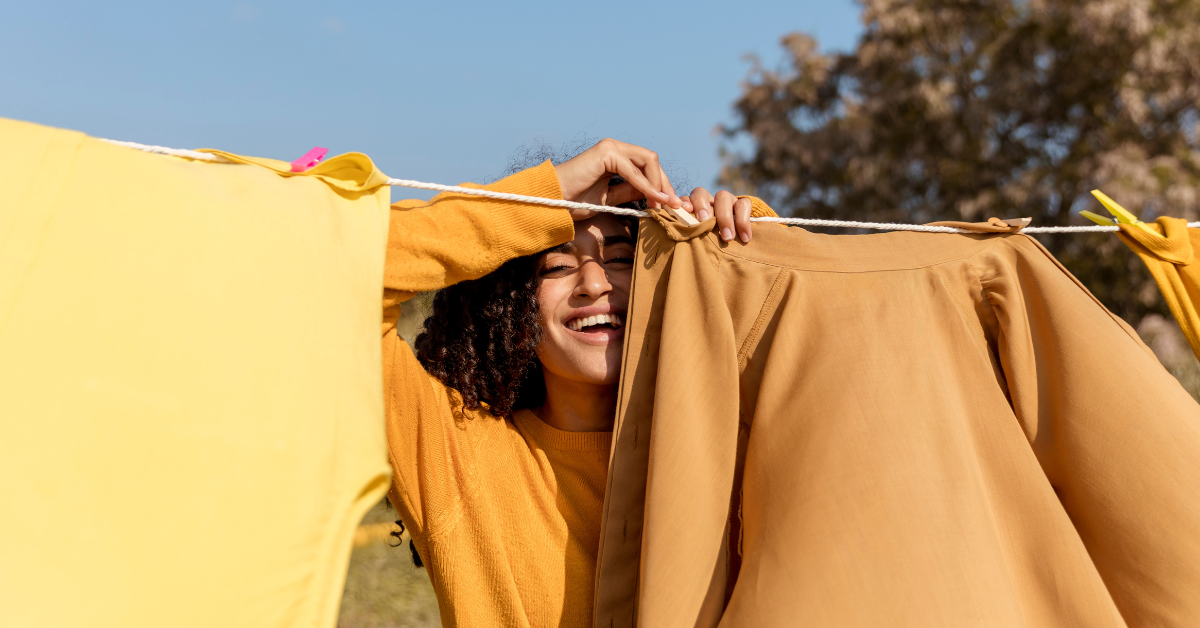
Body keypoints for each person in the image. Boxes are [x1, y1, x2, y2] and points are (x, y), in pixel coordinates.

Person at [380, 138, 770, 627]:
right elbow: (339, 269)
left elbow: (797, 341)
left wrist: (739, 245)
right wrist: (549, 194)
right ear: (512, 301)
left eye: (622, 259)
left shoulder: (735, 444)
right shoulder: (455, 454)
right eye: (559, 266)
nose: (594, 283)